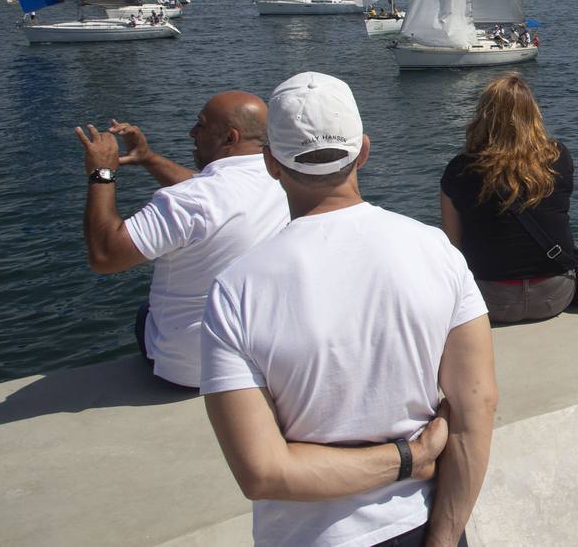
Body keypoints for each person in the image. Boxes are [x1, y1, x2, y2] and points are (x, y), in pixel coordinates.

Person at [202, 71, 496, 546]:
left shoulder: (235, 289)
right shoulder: (437, 251)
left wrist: (408, 456)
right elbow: (476, 407)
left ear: (271, 163)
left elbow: (263, 472)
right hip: (423, 525)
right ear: (363, 150)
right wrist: (424, 491)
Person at [73, 92, 289, 388]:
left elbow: (105, 256)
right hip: (263, 359)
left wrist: (102, 172)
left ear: (230, 137)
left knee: (144, 312)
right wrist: (148, 159)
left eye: (200, 125)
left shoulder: (189, 201)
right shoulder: (285, 181)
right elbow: (207, 197)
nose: (192, 132)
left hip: (192, 371)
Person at [441, 73, 577, 323]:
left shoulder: (459, 169)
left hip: (488, 300)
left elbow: (453, 247)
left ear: (483, 116)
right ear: (533, 114)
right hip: (555, 294)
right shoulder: (559, 157)